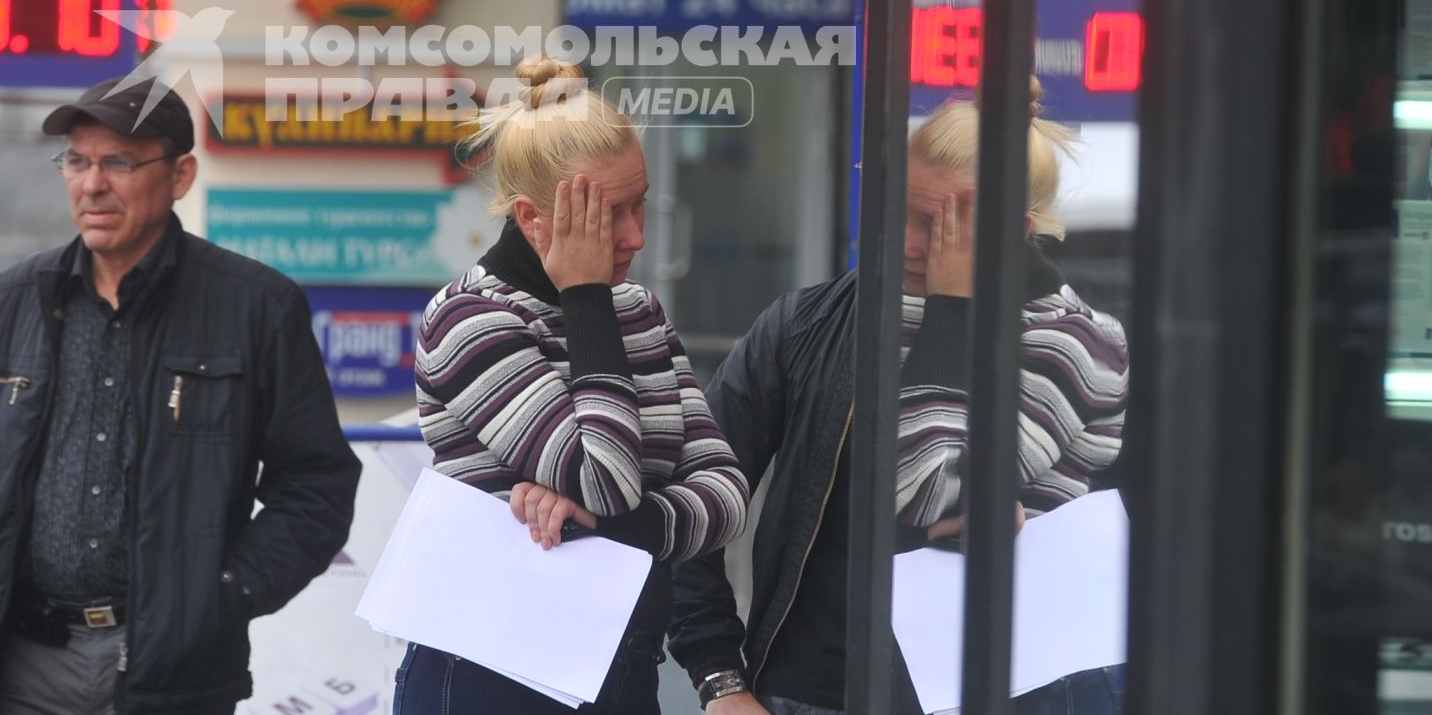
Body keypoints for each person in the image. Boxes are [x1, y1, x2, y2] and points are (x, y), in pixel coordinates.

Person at [669, 82, 1131, 715]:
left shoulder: (1074, 342)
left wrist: (949, 310)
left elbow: (921, 492)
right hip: (805, 692)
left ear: (1015, 230)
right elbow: (695, 489)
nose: (911, 243)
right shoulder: (815, 321)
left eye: (941, 223)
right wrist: (720, 678)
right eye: (899, 212)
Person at [0, 76, 360, 715]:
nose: (91, 184)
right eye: (77, 160)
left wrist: (224, 593)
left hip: (169, 670)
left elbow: (316, 485)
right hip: (14, 663)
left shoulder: (256, 309)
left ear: (180, 176)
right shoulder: (2, 307)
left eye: (118, 162)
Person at [398, 57, 752, 715]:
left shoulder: (638, 310)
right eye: (609, 214)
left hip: (619, 662)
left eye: (639, 202)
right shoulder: (470, 320)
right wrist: (585, 298)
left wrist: (630, 524)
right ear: (533, 219)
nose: (637, 236)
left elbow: (727, 497)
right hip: (492, 673)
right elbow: (607, 479)